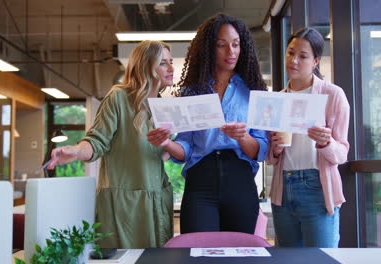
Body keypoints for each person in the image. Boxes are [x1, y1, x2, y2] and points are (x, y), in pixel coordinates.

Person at [147, 13, 268, 234]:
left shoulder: (253, 92)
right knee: (197, 252)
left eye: (236, 44)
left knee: (241, 255)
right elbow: (185, 147)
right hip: (200, 183)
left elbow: (259, 151)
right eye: (222, 45)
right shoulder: (191, 93)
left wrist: (243, 137)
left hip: (240, 181)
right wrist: (165, 142)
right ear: (209, 49)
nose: (231, 52)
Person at [46, 40, 175, 248]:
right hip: (123, 206)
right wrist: (76, 151)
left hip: (157, 202)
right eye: (163, 63)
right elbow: (97, 141)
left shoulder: (165, 107)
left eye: (170, 62)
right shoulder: (118, 97)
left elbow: (166, 153)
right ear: (145, 66)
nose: (171, 68)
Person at [266, 27, 350, 247]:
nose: (293, 60)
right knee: (288, 260)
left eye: (302, 56)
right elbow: (270, 159)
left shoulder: (332, 95)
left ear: (315, 62)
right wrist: (274, 149)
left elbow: (341, 153)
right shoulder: (277, 100)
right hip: (283, 187)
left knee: (322, 258)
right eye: (290, 52)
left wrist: (326, 142)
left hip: (317, 187)